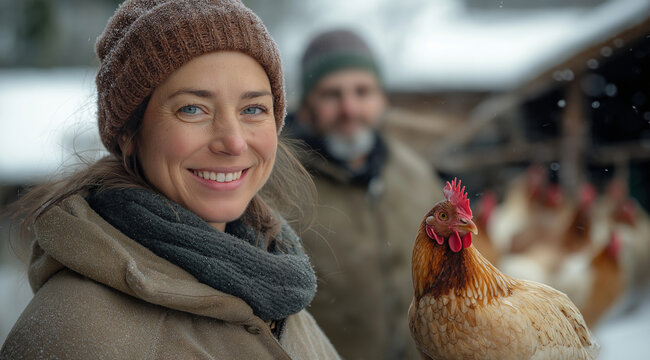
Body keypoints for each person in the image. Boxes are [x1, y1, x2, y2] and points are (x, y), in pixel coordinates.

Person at [0, 1, 340, 359]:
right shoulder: (78, 333)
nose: (234, 142)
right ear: (130, 134)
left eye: (253, 109)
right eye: (192, 109)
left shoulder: (275, 283)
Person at [287, 29, 444, 360]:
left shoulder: (414, 174)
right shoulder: (276, 182)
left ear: (382, 99)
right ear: (305, 105)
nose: (349, 108)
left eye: (362, 91)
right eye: (331, 94)